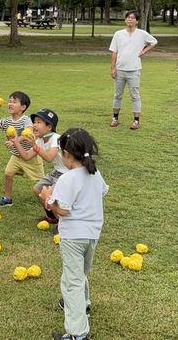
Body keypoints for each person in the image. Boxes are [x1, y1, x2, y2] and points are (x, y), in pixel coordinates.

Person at [39, 128, 109, 340]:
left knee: (72, 281)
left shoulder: (67, 179)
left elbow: (63, 211)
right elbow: (102, 191)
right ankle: (83, 305)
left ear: (66, 155)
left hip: (73, 238)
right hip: (92, 234)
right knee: (80, 273)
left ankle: (77, 334)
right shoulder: (94, 173)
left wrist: (49, 199)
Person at [0, 91, 44, 207]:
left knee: (41, 180)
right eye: (10, 101)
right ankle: (8, 199)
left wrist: (15, 142)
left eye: (14, 102)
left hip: (29, 156)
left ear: (23, 107)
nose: (10, 104)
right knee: (8, 174)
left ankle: (49, 197)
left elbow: (29, 131)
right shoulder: (7, 121)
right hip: (16, 155)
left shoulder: (25, 119)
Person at [14, 108, 68, 228]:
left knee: (54, 198)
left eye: (39, 122)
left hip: (67, 174)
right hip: (57, 171)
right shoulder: (40, 141)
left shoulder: (56, 139)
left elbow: (49, 157)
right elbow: (27, 156)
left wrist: (34, 145)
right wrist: (16, 142)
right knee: (37, 189)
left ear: (49, 127)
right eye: (34, 122)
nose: (34, 125)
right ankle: (52, 217)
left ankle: (63, 225)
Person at [109, 10, 158, 130]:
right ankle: (115, 118)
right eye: (128, 17)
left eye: (132, 18)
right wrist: (113, 68)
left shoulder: (141, 34)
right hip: (120, 69)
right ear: (125, 20)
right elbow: (114, 51)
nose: (130, 20)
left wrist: (144, 51)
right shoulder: (118, 34)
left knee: (135, 96)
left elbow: (154, 42)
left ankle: (136, 121)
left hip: (134, 70)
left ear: (137, 21)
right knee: (117, 95)